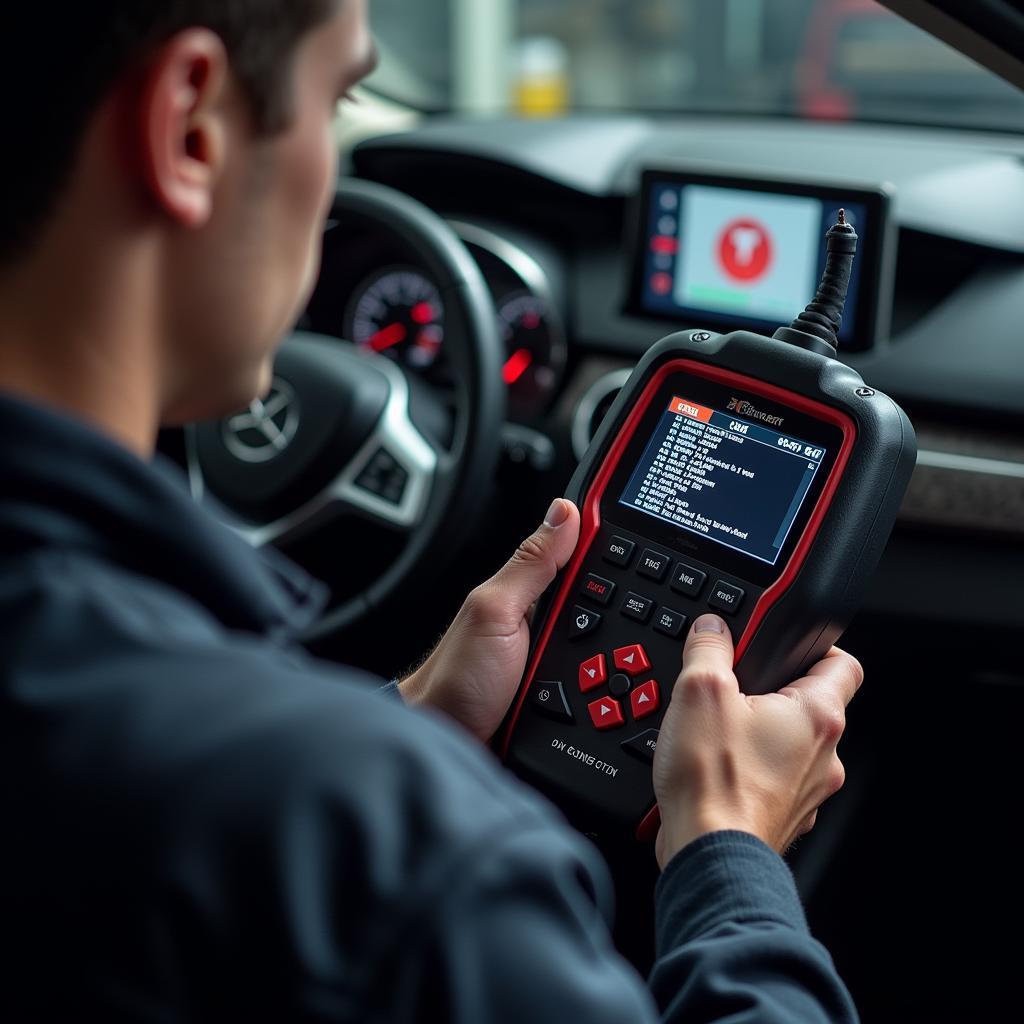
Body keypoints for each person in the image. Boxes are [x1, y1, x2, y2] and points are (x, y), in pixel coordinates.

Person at [0, 2, 863, 1020]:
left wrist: (412, 721)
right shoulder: (412, 865)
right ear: (191, 130)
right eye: (339, 98)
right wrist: (730, 852)